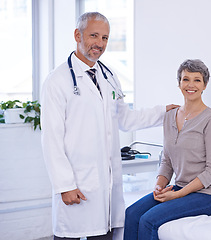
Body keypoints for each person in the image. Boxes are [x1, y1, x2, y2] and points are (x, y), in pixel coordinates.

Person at [41, 12, 177, 240]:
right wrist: (64, 185)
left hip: (105, 187)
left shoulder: (109, 75)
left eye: (105, 38)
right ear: (77, 35)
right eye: (94, 35)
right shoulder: (57, 81)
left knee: (103, 234)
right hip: (76, 182)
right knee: (69, 234)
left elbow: (125, 119)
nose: (100, 44)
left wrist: (162, 112)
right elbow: (51, 139)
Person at [124, 59, 211, 240]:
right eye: (186, 79)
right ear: (179, 83)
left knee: (149, 220)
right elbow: (167, 160)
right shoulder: (170, 116)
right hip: (179, 188)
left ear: (205, 85)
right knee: (131, 213)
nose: (191, 85)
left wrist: (178, 194)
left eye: (197, 80)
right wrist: (159, 185)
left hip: (210, 195)